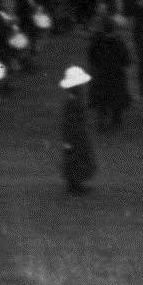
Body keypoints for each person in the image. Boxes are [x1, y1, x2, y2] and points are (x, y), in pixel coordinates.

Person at [86, 16, 132, 131]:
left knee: (102, 100)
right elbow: (126, 59)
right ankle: (115, 121)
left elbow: (91, 56)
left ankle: (102, 122)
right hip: (115, 75)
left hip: (101, 74)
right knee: (116, 100)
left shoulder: (97, 40)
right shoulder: (118, 42)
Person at [59, 65, 96, 194]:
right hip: (76, 137)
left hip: (75, 136)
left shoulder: (72, 101)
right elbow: (71, 123)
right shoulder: (73, 102)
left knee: (76, 159)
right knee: (76, 160)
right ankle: (74, 185)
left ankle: (75, 183)